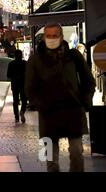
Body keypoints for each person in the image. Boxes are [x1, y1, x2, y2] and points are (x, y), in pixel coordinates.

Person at [25, 23, 95, 172]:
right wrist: (40, 105)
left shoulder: (74, 56)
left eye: (54, 35)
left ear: (61, 36)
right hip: (48, 115)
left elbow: (88, 80)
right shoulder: (35, 60)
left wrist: (85, 101)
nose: (51, 39)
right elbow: (29, 88)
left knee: (77, 153)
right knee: (50, 160)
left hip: (73, 112)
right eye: (48, 36)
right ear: (44, 38)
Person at [7, 50, 27, 123]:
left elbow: (8, 75)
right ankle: (22, 111)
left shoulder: (11, 64)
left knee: (15, 101)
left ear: (14, 56)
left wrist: (14, 76)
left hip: (15, 84)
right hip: (23, 84)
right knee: (24, 99)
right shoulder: (25, 63)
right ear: (21, 55)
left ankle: (16, 117)